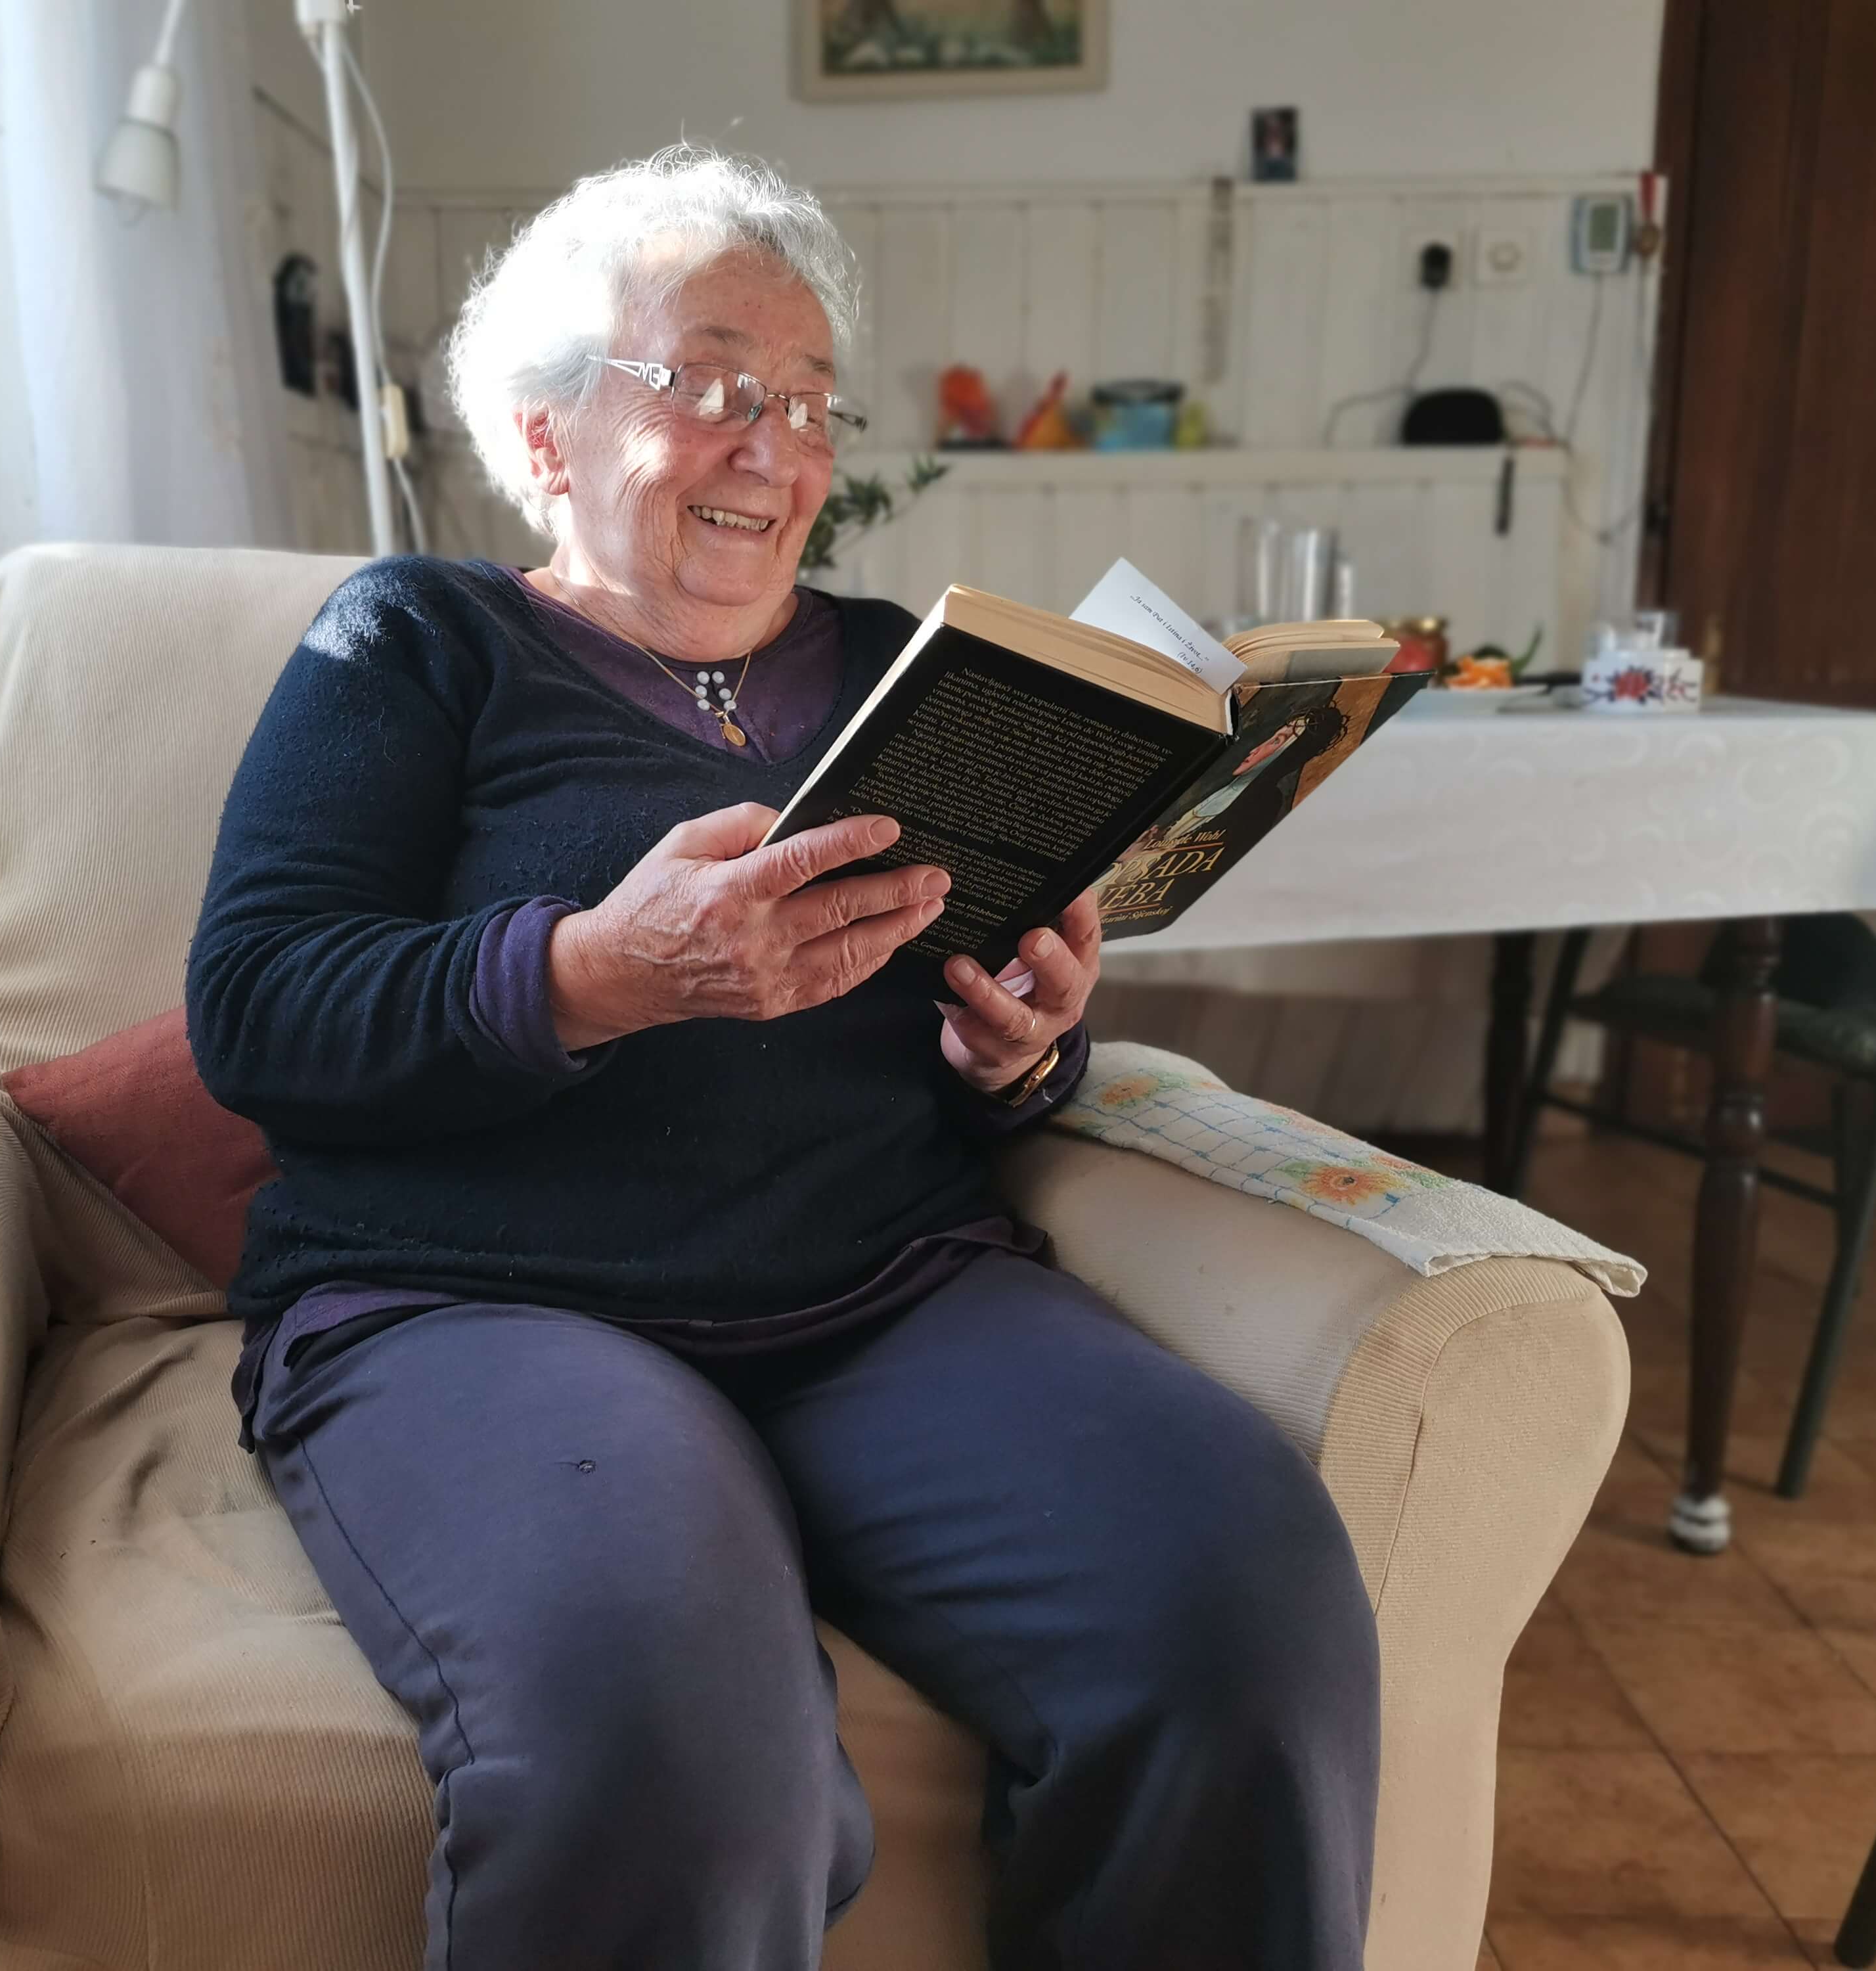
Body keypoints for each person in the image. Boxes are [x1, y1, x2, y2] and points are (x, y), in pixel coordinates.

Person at [187, 144, 1379, 1971]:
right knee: (674, 1748)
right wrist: (597, 973)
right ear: (545, 433)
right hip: (481, 1305)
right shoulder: (415, 641)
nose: (779, 450)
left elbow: (986, 1027)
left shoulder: (912, 667)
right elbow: (259, 1005)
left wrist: (1023, 1049)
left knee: (1247, 1607)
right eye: (715, 388)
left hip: (886, 1291)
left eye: (814, 404)